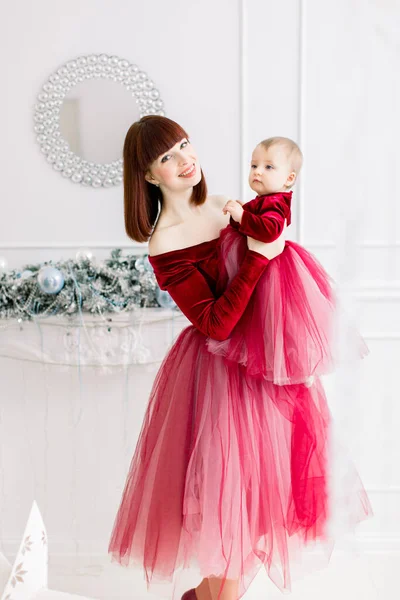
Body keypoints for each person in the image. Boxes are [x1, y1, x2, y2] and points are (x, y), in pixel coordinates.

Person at [107, 116, 372, 600]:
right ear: (148, 176)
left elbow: (274, 227)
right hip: (215, 380)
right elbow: (214, 324)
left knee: (249, 514)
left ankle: (199, 598)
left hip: (261, 373)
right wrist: (257, 256)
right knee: (227, 510)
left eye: (185, 144)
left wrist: (267, 244)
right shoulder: (164, 241)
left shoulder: (223, 204)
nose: (186, 159)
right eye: (167, 156)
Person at [206, 137, 369, 385]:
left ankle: (295, 367)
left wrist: (242, 216)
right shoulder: (261, 201)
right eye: (254, 166)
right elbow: (248, 227)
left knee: (282, 322)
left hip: (275, 270)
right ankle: (277, 363)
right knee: (262, 320)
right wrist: (240, 214)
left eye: (269, 167)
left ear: (289, 179)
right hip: (260, 267)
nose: (258, 171)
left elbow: (270, 229)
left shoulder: (277, 202)